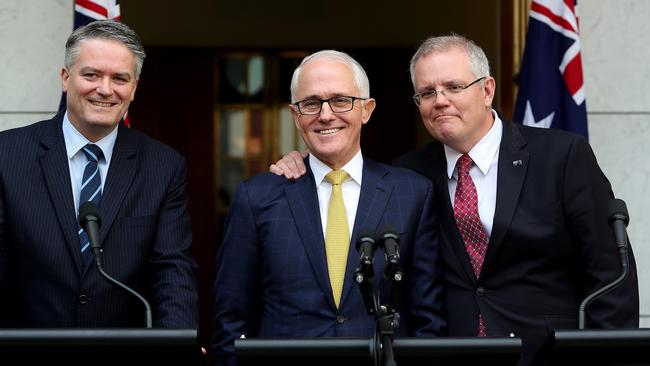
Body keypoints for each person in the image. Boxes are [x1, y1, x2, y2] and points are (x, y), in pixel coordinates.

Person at [270, 35, 639, 365]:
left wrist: (605, 357)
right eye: (427, 93)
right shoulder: (410, 173)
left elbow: (611, 276)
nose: (440, 101)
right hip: (453, 352)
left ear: (487, 90)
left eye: (454, 86)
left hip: (546, 353)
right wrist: (306, 160)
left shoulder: (561, 156)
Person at [211, 50, 446, 366]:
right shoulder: (257, 198)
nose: (325, 114)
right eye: (310, 103)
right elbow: (231, 320)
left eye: (340, 100)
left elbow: (428, 318)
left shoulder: (413, 193)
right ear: (296, 116)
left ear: (366, 109)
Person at [0, 20, 199, 329]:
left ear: (133, 89)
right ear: (66, 78)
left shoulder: (164, 166)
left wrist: (176, 343)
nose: (105, 89)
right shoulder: (7, 155)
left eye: (120, 78)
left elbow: (172, 270)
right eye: (91, 75)